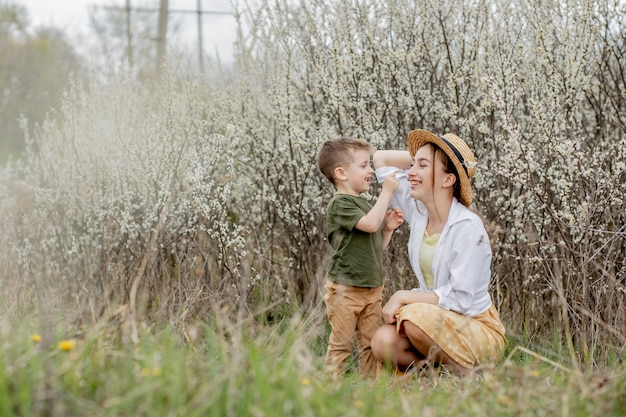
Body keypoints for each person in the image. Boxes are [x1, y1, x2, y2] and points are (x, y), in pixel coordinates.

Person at [370, 129, 506, 376]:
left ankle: (471, 376)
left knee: (411, 316)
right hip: (433, 323)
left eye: (422, 166)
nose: (411, 172)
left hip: (478, 327)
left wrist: (403, 296)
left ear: (448, 180)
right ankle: (435, 377)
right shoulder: (418, 211)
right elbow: (381, 159)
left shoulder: (467, 228)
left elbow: (461, 299)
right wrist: (426, 157)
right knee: (382, 341)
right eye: (412, 165)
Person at [317, 137, 405, 379]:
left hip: (371, 289)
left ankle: (370, 390)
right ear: (341, 173)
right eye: (364, 165)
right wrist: (386, 192)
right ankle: (328, 387)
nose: (371, 171)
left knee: (370, 344)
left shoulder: (362, 203)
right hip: (346, 289)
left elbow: (375, 246)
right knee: (341, 344)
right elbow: (369, 225)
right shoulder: (340, 203)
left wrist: (387, 229)